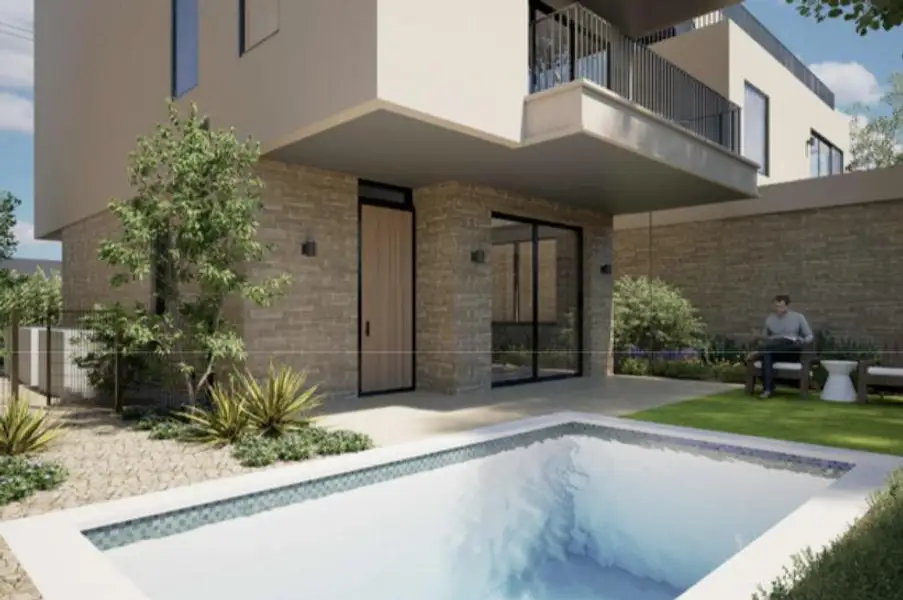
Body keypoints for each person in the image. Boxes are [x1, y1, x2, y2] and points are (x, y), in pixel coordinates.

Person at [750, 294, 814, 399]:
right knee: (767, 353)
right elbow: (765, 340)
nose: (778, 309)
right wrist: (757, 338)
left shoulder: (798, 317)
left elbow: (810, 336)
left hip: (792, 351)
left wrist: (802, 341)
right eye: (776, 306)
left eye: (781, 306)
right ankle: (767, 390)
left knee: (784, 342)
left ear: (787, 307)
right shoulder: (770, 319)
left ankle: (758, 353)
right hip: (775, 351)